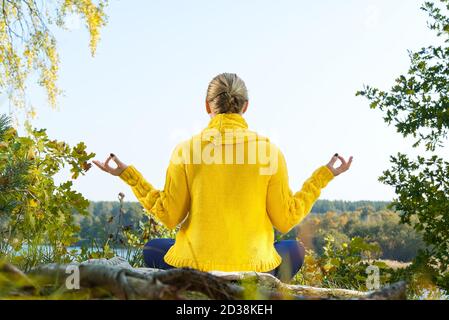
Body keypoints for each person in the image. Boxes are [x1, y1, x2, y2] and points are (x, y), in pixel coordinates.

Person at [93, 73, 353, 282]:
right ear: (246, 106)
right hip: (255, 271)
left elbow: (168, 215)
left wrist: (129, 176)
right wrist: (324, 175)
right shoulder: (269, 151)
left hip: (196, 271)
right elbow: (286, 219)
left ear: (207, 106)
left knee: (153, 249)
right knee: (294, 249)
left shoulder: (187, 150)